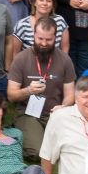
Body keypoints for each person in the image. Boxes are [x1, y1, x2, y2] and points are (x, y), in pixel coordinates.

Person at [7, 16, 76, 161]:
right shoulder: (21, 58)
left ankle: (33, 136)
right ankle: (20, 135)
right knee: (38, 153)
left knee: (71, 149)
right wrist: (28, 91)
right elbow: (11, 95)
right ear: (34, 35)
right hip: (29, 113)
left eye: (48, 40)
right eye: (40, 39)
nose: (44, 43)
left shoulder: (65, 60)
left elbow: (70, 94)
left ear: (55, 38)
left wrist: (63, 106)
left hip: (56, 114)